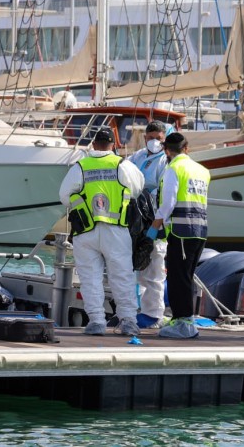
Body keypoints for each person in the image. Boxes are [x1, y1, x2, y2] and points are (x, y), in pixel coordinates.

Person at [59, 127, 144, 336]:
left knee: (90, 277)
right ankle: (128, 321)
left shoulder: (81, 166)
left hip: (86, 230)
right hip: (116, 230)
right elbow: (137, 188)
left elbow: (64, 196)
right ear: (113, 145)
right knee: (122, 276)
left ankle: (97, 321)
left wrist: (82, 203)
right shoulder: (122, 165)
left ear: (94, 145)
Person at [151, 132, 210, 339]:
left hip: (181, 231)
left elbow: (167, 203)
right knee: (187, 275)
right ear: (187, 148)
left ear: (167, 150)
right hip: (200, 230)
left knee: (178, 277)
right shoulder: (202, 171)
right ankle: (182, 318)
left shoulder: (173, 169)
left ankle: (183, 322)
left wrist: (154, 227)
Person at [127, 121, 170, 329]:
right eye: (150, 138)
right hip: (137, 221)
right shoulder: (137, 157)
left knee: (155, 269)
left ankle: (154, 315)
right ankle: (140, 310)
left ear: (164, 138)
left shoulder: (165, 160)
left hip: (156, 220)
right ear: (145, 138)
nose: (154, 142)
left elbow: (163, 192)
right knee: (138, 268)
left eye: (158, 138)